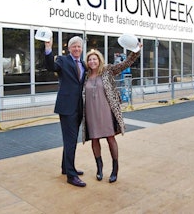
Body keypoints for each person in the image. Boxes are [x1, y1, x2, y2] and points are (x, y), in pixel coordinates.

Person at [81, 45, 141, 183]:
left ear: (99, 60)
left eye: (94, 59)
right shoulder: (85, 76)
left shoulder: (107, 71)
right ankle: (99, 168)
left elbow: (125, 64)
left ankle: (115, 169)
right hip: (91, 113)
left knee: (110, 138)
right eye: (90, 60)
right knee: (94, 139)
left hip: (107, 112)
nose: (92, 62)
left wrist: (135, 52)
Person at [44, 36, 87, 187]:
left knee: (71, 140)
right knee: (70, 141)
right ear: (69, 48)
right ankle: (71, 175)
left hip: (78, 108)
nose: (76, 49)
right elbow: (50, 67)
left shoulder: (83, 64)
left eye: (79, 47)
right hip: (66, 108)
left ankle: (66, 167)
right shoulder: (63, 60)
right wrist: (48, 49)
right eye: (73, 46)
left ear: (82, 49)